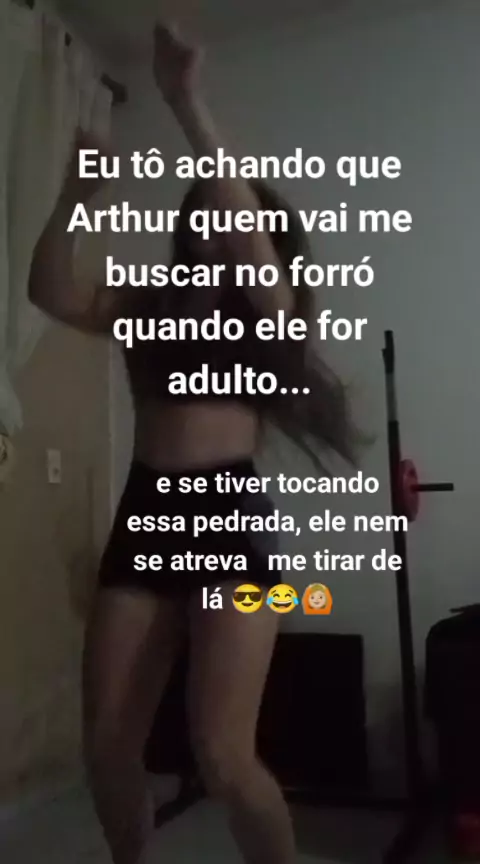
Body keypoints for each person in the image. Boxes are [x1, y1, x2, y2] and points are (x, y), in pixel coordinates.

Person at [29, 22, 360, 864]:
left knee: (223, 753)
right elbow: (50, 289)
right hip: (146, 516)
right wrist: (75, 195)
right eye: (203, 207)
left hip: (230, 522)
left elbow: (251, 247)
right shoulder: (149, 305)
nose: (215, 220)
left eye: (229, 208)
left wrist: (186, 102)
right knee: (108, 743)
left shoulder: (271, 313)